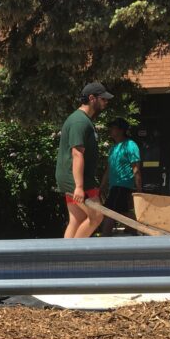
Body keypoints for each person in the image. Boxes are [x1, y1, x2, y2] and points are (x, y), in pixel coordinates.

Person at [55, 81, 111, 238]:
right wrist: (79, 187)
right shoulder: (80, 121)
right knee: (96, 216)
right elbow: (77, 153)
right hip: (76, 179)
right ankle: (74, 254)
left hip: (76, 177)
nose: (106, 102)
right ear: (92, 98)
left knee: (77, 219)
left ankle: (64, 259)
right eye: (103, 99)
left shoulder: (84, 120)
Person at [99, 118, 143, 237]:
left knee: (109, 212)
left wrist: (139, 190)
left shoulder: (130, 145)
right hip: (115, 186)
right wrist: (102, 186)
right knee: (122, 212)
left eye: (113, 127)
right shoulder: (113, 148)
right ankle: (137, 232)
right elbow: (109, 169)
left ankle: (104, 238)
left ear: (121, 130)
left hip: (123, 185)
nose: (110, 130)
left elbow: (136, 168)